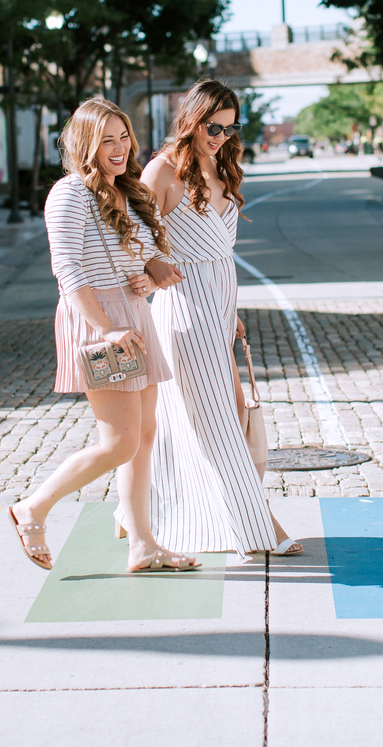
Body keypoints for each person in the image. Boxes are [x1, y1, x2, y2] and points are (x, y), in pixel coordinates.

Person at [8, 98, 200, 573]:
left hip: (134, 315)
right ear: (84, 144)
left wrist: (150, 279)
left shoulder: (129, 190)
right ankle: (32, 508)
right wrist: (106, 327)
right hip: (101, 322)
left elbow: (148, 260)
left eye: (123, 137)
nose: (118, 148)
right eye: (106, 140)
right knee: (119, 442)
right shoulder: (70, 193)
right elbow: (67, 272)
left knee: (145, 435)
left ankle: (143, 544)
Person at [140, 79, 304, 557]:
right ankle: (261, 525)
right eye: (213, 126)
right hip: (185, 311)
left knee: (216, 416)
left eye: (230, 130)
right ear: (192, 117)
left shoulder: (222, 166)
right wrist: (152, 269)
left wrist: (229, 312)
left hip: (217, 310)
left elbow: (222, 254)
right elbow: (137, 240)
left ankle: (140, 515)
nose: (220, 137)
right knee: (216, 421)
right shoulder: (162, 171)